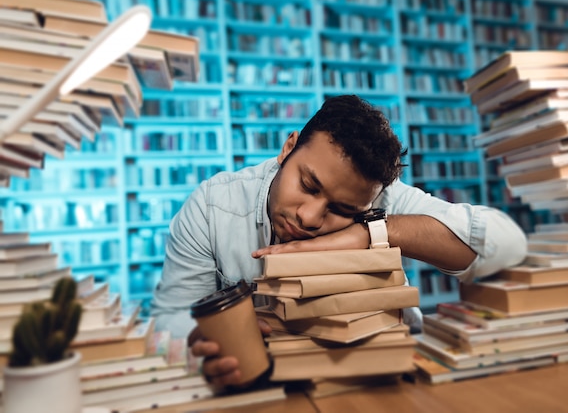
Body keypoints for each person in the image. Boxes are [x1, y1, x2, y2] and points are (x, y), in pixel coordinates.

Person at [151, 95, 527, 388]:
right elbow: (169, 319)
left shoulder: (380, 198)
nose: (309, 218)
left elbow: (508, 242)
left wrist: (373, 230)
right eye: (308, 185)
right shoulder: (213, 206)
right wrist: (205, 345)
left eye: (342, 209)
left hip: (382, 380)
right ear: (288, 148)